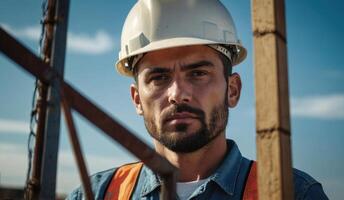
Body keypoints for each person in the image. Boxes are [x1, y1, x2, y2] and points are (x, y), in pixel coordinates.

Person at [67, 0, 328, 199]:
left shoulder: (293, 193)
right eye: (158, 77)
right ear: (137, 99)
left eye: (198, 73)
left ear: (233, 90)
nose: (178, 94)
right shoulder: (99, 194)